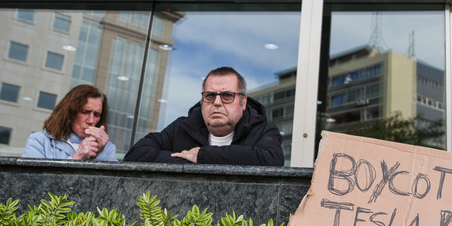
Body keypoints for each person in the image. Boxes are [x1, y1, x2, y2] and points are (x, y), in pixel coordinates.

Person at [124, 66, 284, 166]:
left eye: (227, 96)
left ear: (243, 102)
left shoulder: (263, 130)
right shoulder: (181, 128)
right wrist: (188, 161)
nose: (217, 102)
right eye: (209, 96)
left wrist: (202, 156)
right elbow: (136, 154)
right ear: (202, 101)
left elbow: (272, 160)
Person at [22, 84, 117, 161]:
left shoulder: (108, 148)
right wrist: (77, 157)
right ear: (70, 113)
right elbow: (31, 181)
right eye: (85, 112)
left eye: (96, 114)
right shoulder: (40, 141)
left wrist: (98, 154)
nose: (91, 120)